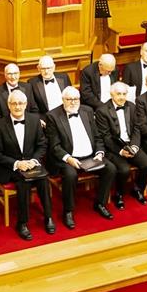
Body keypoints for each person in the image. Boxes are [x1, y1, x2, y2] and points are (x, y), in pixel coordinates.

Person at [45, 86, 116, 229]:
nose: (72, 102)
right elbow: (54, 146)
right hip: (68, 158)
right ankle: (68, 211)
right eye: (69, 99)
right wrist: (69, 159)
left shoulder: (87, 111)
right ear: (63, 100)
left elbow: (97, 137)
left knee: (111, 169)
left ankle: (100, 203)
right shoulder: (52, 116)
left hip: (90, 156)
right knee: (70, 175)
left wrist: (100, 152)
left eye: (75, 99)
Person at [0, 90, 55, 240]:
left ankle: (48, 217)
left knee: (43, 180)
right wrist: (18, 164)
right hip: (10, 166)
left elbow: (42, 145)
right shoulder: (0, 126)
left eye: (20, 103)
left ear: (26, 104)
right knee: (23, 182)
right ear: (8, 105)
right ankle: (22, 222)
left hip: (32, 163)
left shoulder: (34, 120)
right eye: (14, 103)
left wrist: (33, 161)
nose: (17, 106)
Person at [95, 82, 147, 207]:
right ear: (111, 94)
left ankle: (137, 189)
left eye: (124, 94)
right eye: (118, 94)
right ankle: (119, 194)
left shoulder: (131, 106)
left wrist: (134, 146)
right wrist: (121, 151)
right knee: (124, 170)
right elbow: (105, 137)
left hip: (130, 144)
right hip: (114, 147)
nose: (122, 97)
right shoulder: (102, 111)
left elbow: (136, 129)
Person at [28, 55, 72, 122]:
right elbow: (33, 106)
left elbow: (71, 96)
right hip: (47, 119)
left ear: (54, 67)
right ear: (38, 68)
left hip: (66, 115)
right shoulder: (32, 83)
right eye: (43, 68)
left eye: (49, 68)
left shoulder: (64, 77)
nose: (46, 71)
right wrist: (39, 119)